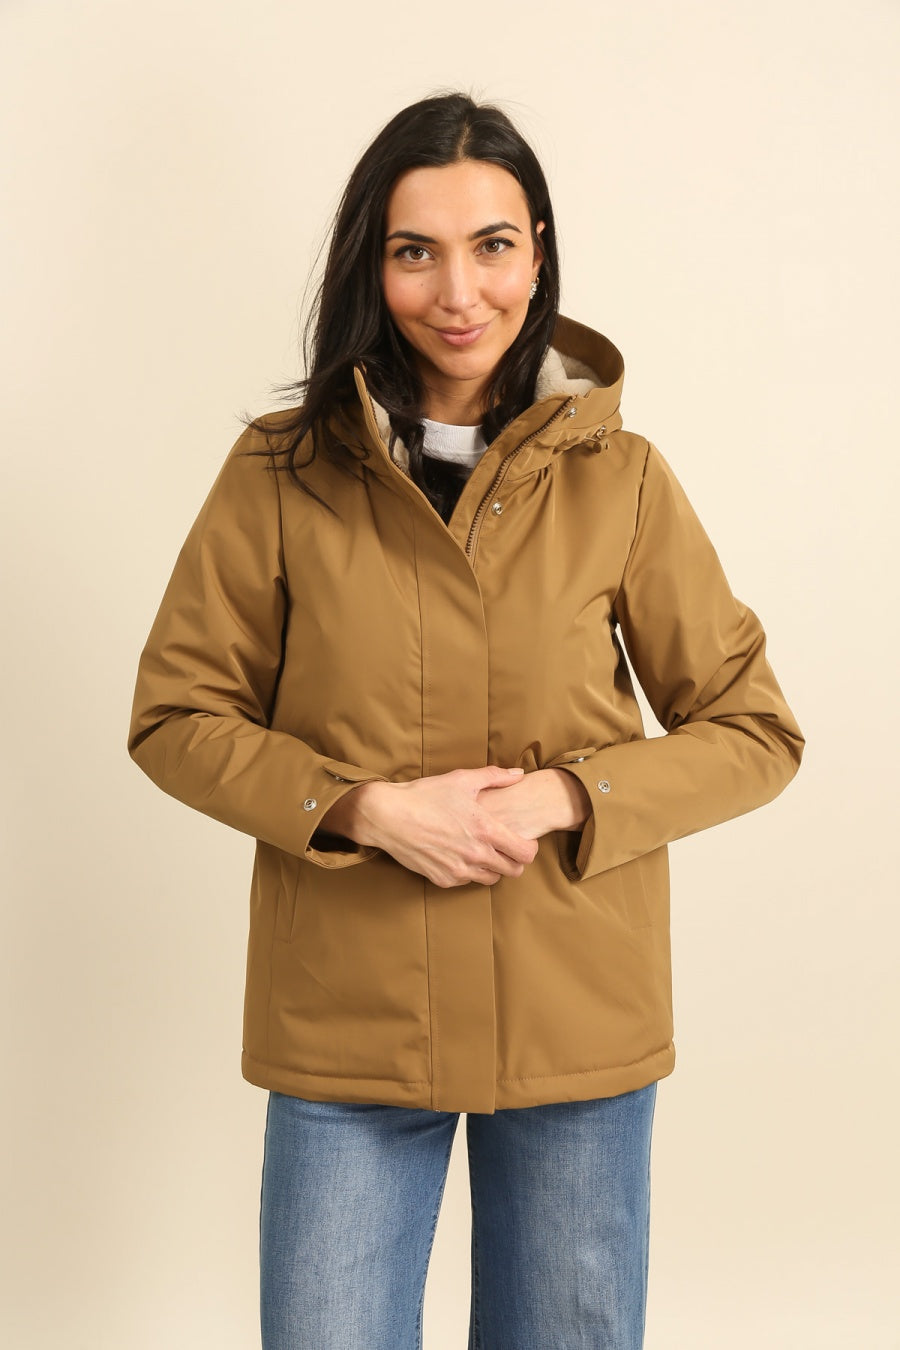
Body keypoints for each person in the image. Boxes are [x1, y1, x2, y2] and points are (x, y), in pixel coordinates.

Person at [127, 92, 804, 1350]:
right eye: (415, 251)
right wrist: (364, 810)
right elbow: (176, 713)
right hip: (350, 1019)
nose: (458, 292)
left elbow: (754, 729)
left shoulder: (622, 479)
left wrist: (572, 794)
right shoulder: (280, 474)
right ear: (370, 264)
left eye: (492, 245)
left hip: (574, 1018)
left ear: (537, 252)